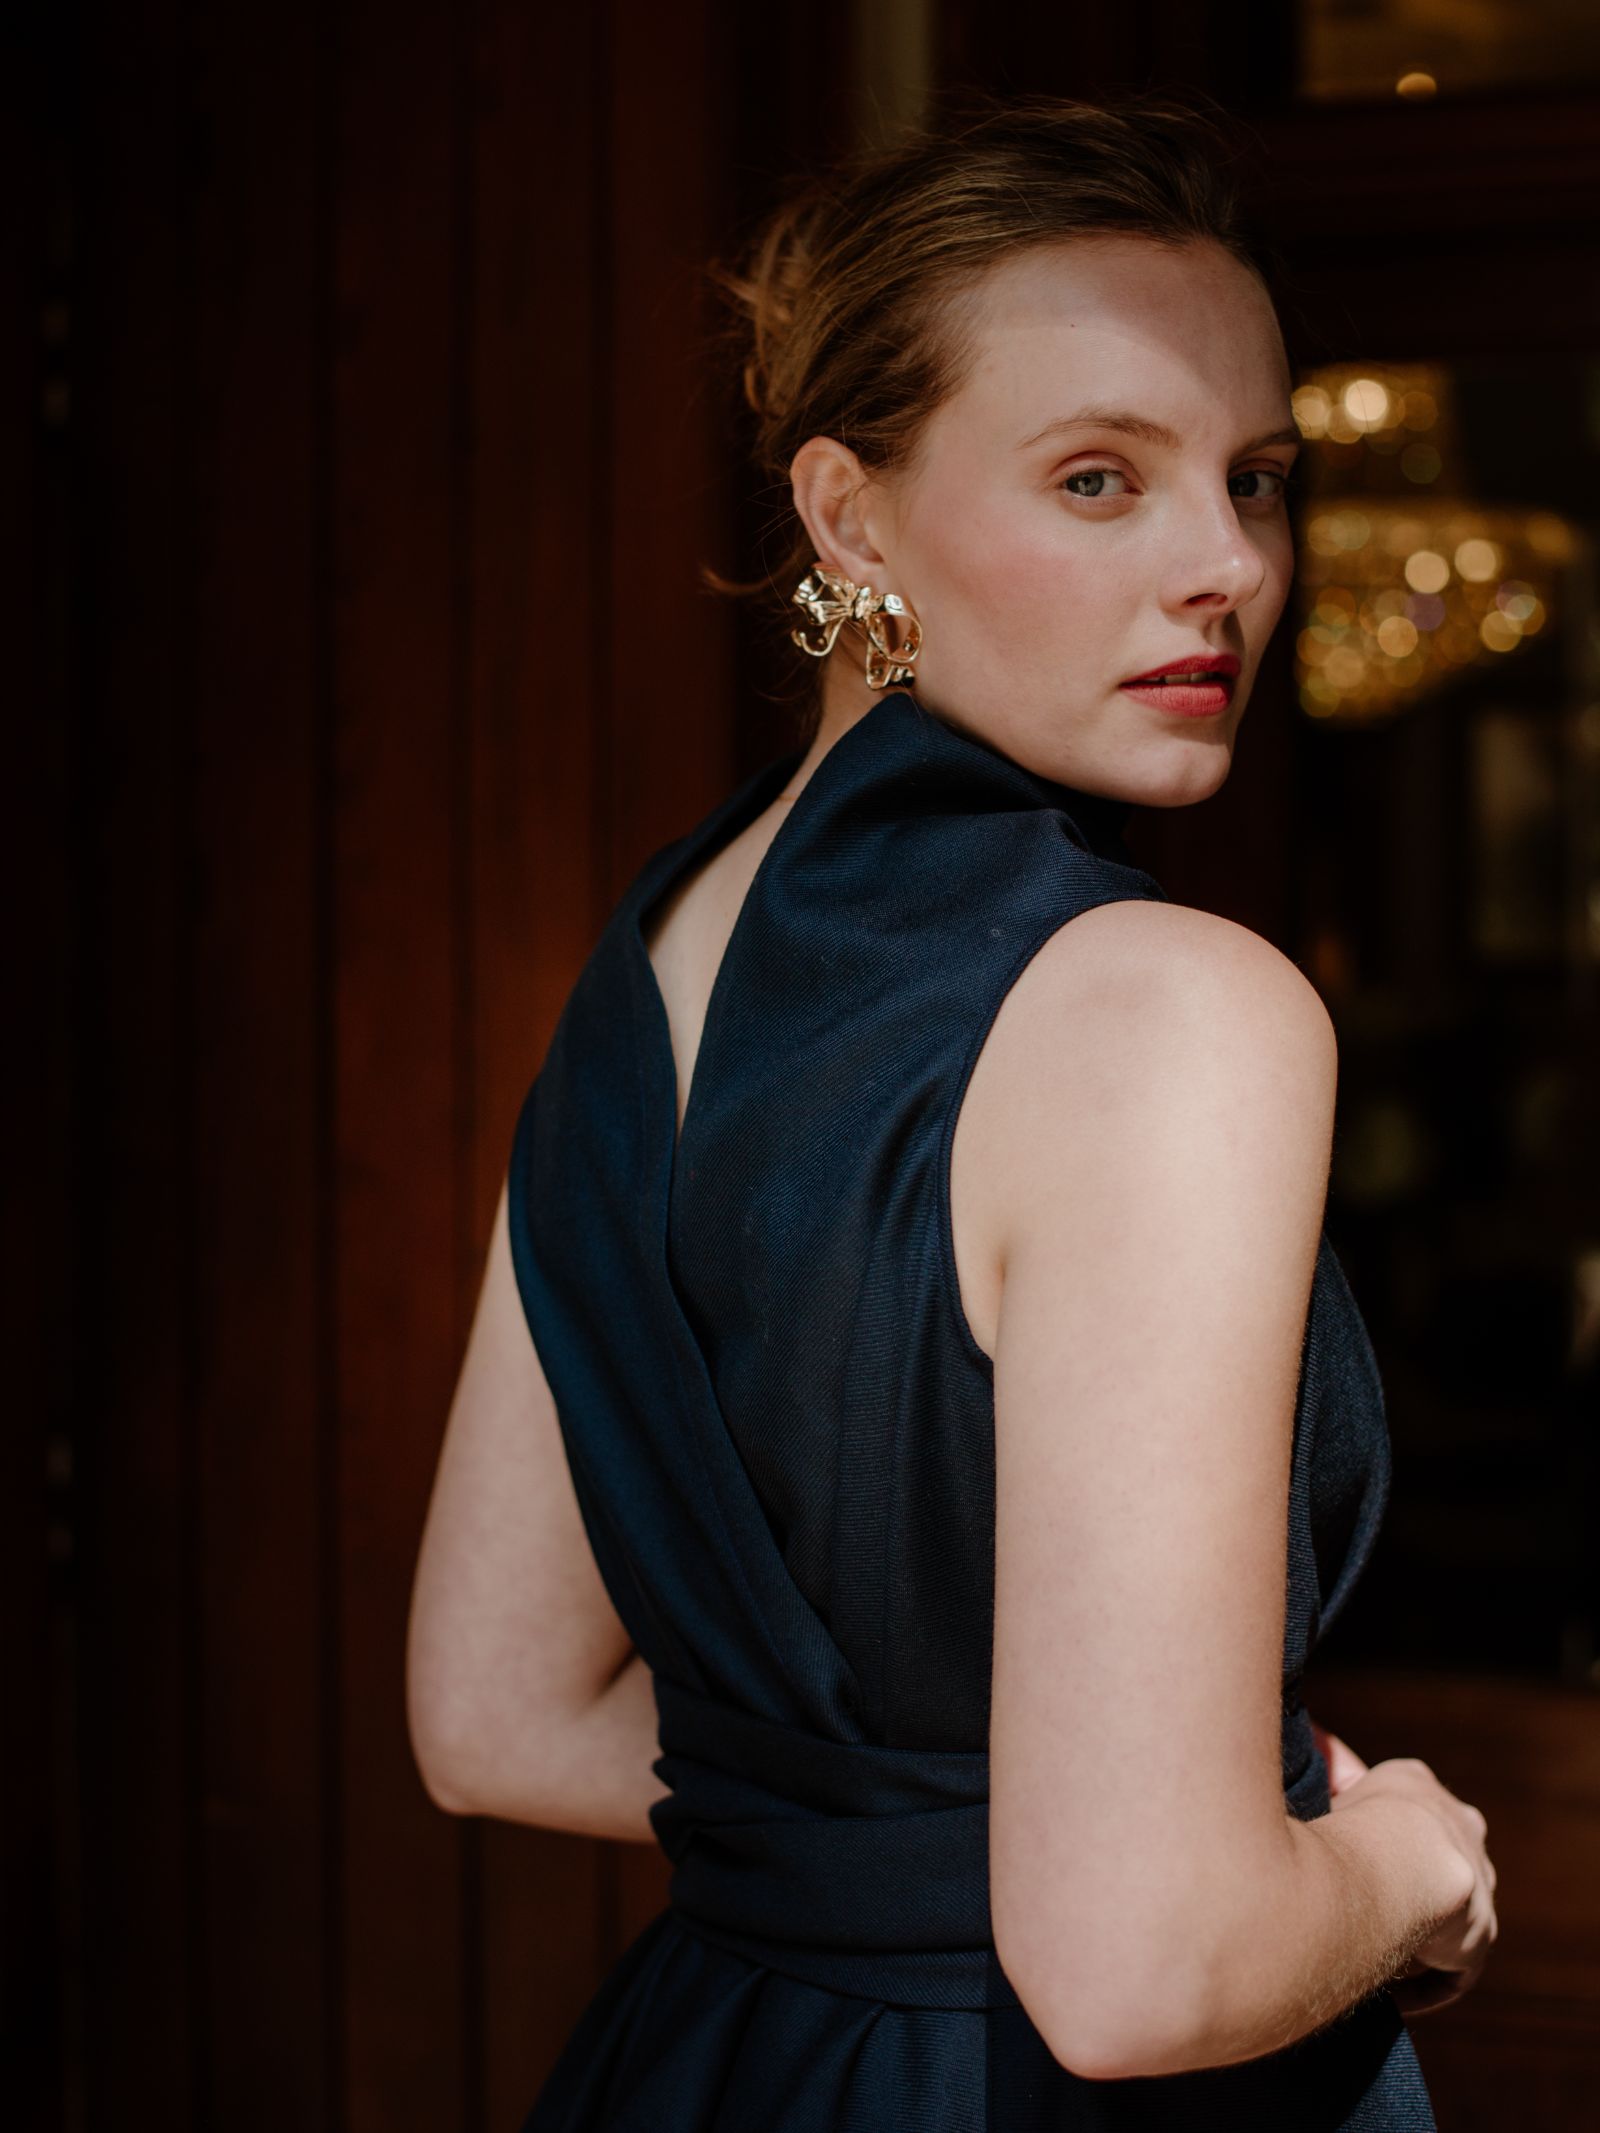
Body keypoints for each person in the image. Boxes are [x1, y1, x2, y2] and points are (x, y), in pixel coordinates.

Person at [405, 92, 1498, 2130]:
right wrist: (1393, 1861)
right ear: (847, 513)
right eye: (1099, 477)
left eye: (1253, 478)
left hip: (720, 2059)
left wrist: (1062, 1810)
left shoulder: (647, 969)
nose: (1225, 567)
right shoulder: (1173, 1010)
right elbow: (1141, 1967)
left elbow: (493, 1713)